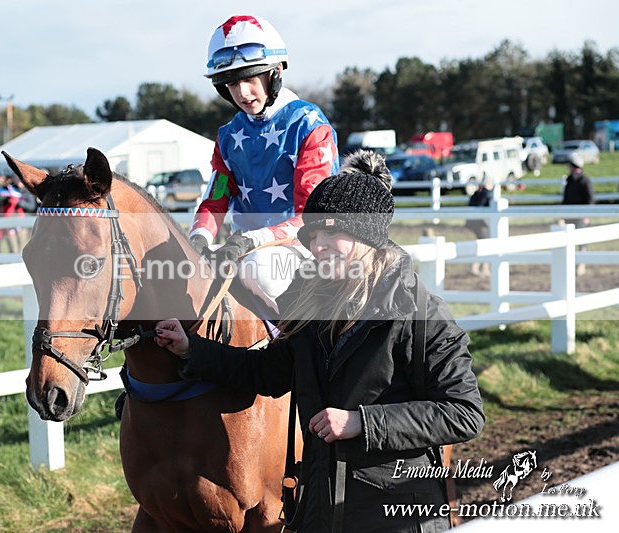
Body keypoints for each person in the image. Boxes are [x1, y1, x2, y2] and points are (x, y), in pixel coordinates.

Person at [155, 151, 485, 532]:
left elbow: (463, 413)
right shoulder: (310, 304)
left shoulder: (418, 312)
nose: (319, 245)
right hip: (319, 508)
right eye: (314, 235)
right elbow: (268, 373)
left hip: (397, 512)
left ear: (367, 237)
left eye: (333, 232)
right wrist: (190, 349)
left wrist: (363, 423)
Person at [189, 14, 340, 315]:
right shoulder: (229, 136)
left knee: (259, 269)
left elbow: (310, 216)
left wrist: (250, 241)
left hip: (303, 248)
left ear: (275, 72)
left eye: (249, 78)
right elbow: (216, 198)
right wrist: (198, 239)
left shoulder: (309, 125)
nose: (242, 93)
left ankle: (305, 350)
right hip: (243, 250)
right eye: (231, 83)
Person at [561, 152, 595, 273]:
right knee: (569, 239)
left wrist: (587, 215)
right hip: (569, 214)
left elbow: (590, 199)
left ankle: (581, 264)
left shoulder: (584, 180)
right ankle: (570, 264)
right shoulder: (569, 180)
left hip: (581, 215)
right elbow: (565, 199)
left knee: (581, 240)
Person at [464, 180, 493, 276]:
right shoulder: (487, 194)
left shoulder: (476, 194)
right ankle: (483, 269)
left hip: (473, 223)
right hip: (481, 223)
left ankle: (478, 268)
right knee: (485, 245)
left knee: (482, 244)